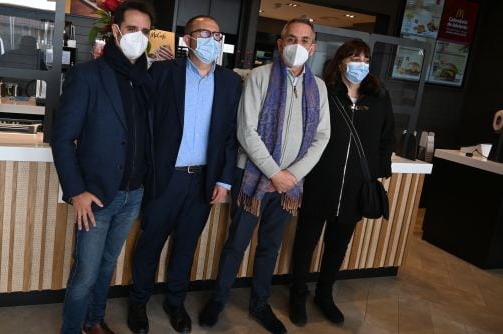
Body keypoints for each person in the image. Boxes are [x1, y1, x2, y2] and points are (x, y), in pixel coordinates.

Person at [199, 17, 330, 334]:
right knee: (235, 246)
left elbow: (321, 137)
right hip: (254, 181)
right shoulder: (259, 77)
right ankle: (218, 299)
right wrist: (275, 173)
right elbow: (246, 131)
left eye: (304, 40)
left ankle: (259, 305)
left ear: (312, 48)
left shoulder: (319, 88)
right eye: (291, 38)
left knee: (269, 249)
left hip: (288, 188)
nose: (297, 45)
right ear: (280, 43)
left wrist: (290, 177)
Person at [127, 15, 242, 334]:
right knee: (150, 242)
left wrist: (224, 179)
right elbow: (145, 121)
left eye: (216, 35)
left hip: (203, 180)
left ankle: (175, 303)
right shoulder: (164, 73)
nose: (210, 40)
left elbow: (231, 135)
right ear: (187, 39)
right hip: (166, 176)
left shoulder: (231, 82)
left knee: (186, 245)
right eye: (203, 33)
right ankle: (138, 301)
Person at [50, 2, 154, 334]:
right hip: (95, 196)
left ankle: (93, 321)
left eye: (146, 31)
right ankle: (71, 328)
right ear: (116, 31)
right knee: (86, 272)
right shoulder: (86, 76)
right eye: (134, 29)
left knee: (108, 266)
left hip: (133, 194)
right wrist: (76, 191)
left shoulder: (145, 79)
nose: (140, 36)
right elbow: (62, 139)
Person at [288, 39, 395, 326]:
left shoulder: (379, 97)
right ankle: (297, 295)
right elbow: (307, 133)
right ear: (340, 61)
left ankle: (324, 295)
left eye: (364, 58)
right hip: (320, 181)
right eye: (353, 57)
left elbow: (386, 139)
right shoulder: (325, 91)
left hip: (355, 187)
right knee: (305, 243)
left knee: (337, 246)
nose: (359, 63)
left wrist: (376, 172)